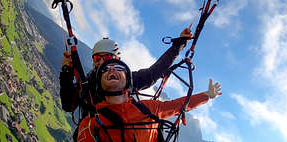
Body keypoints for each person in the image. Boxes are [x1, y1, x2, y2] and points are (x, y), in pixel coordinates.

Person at [60, 29, 193, 121]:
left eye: (105, 57)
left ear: (116, 59)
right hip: (92, 132)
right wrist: (67, 72)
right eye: (96, 59)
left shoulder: (126, 80)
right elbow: (68, 105)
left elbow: (154, 73)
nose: (100, 62)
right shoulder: (88, 81)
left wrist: (179, 44)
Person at [77, 59, 222, 142]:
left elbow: (178, 106)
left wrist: (207, 95)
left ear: (127, 80)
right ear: (99, 83)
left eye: (118, 68)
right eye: (105, 69)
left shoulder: (150, 108)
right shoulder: (90, 123)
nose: (111, 70)